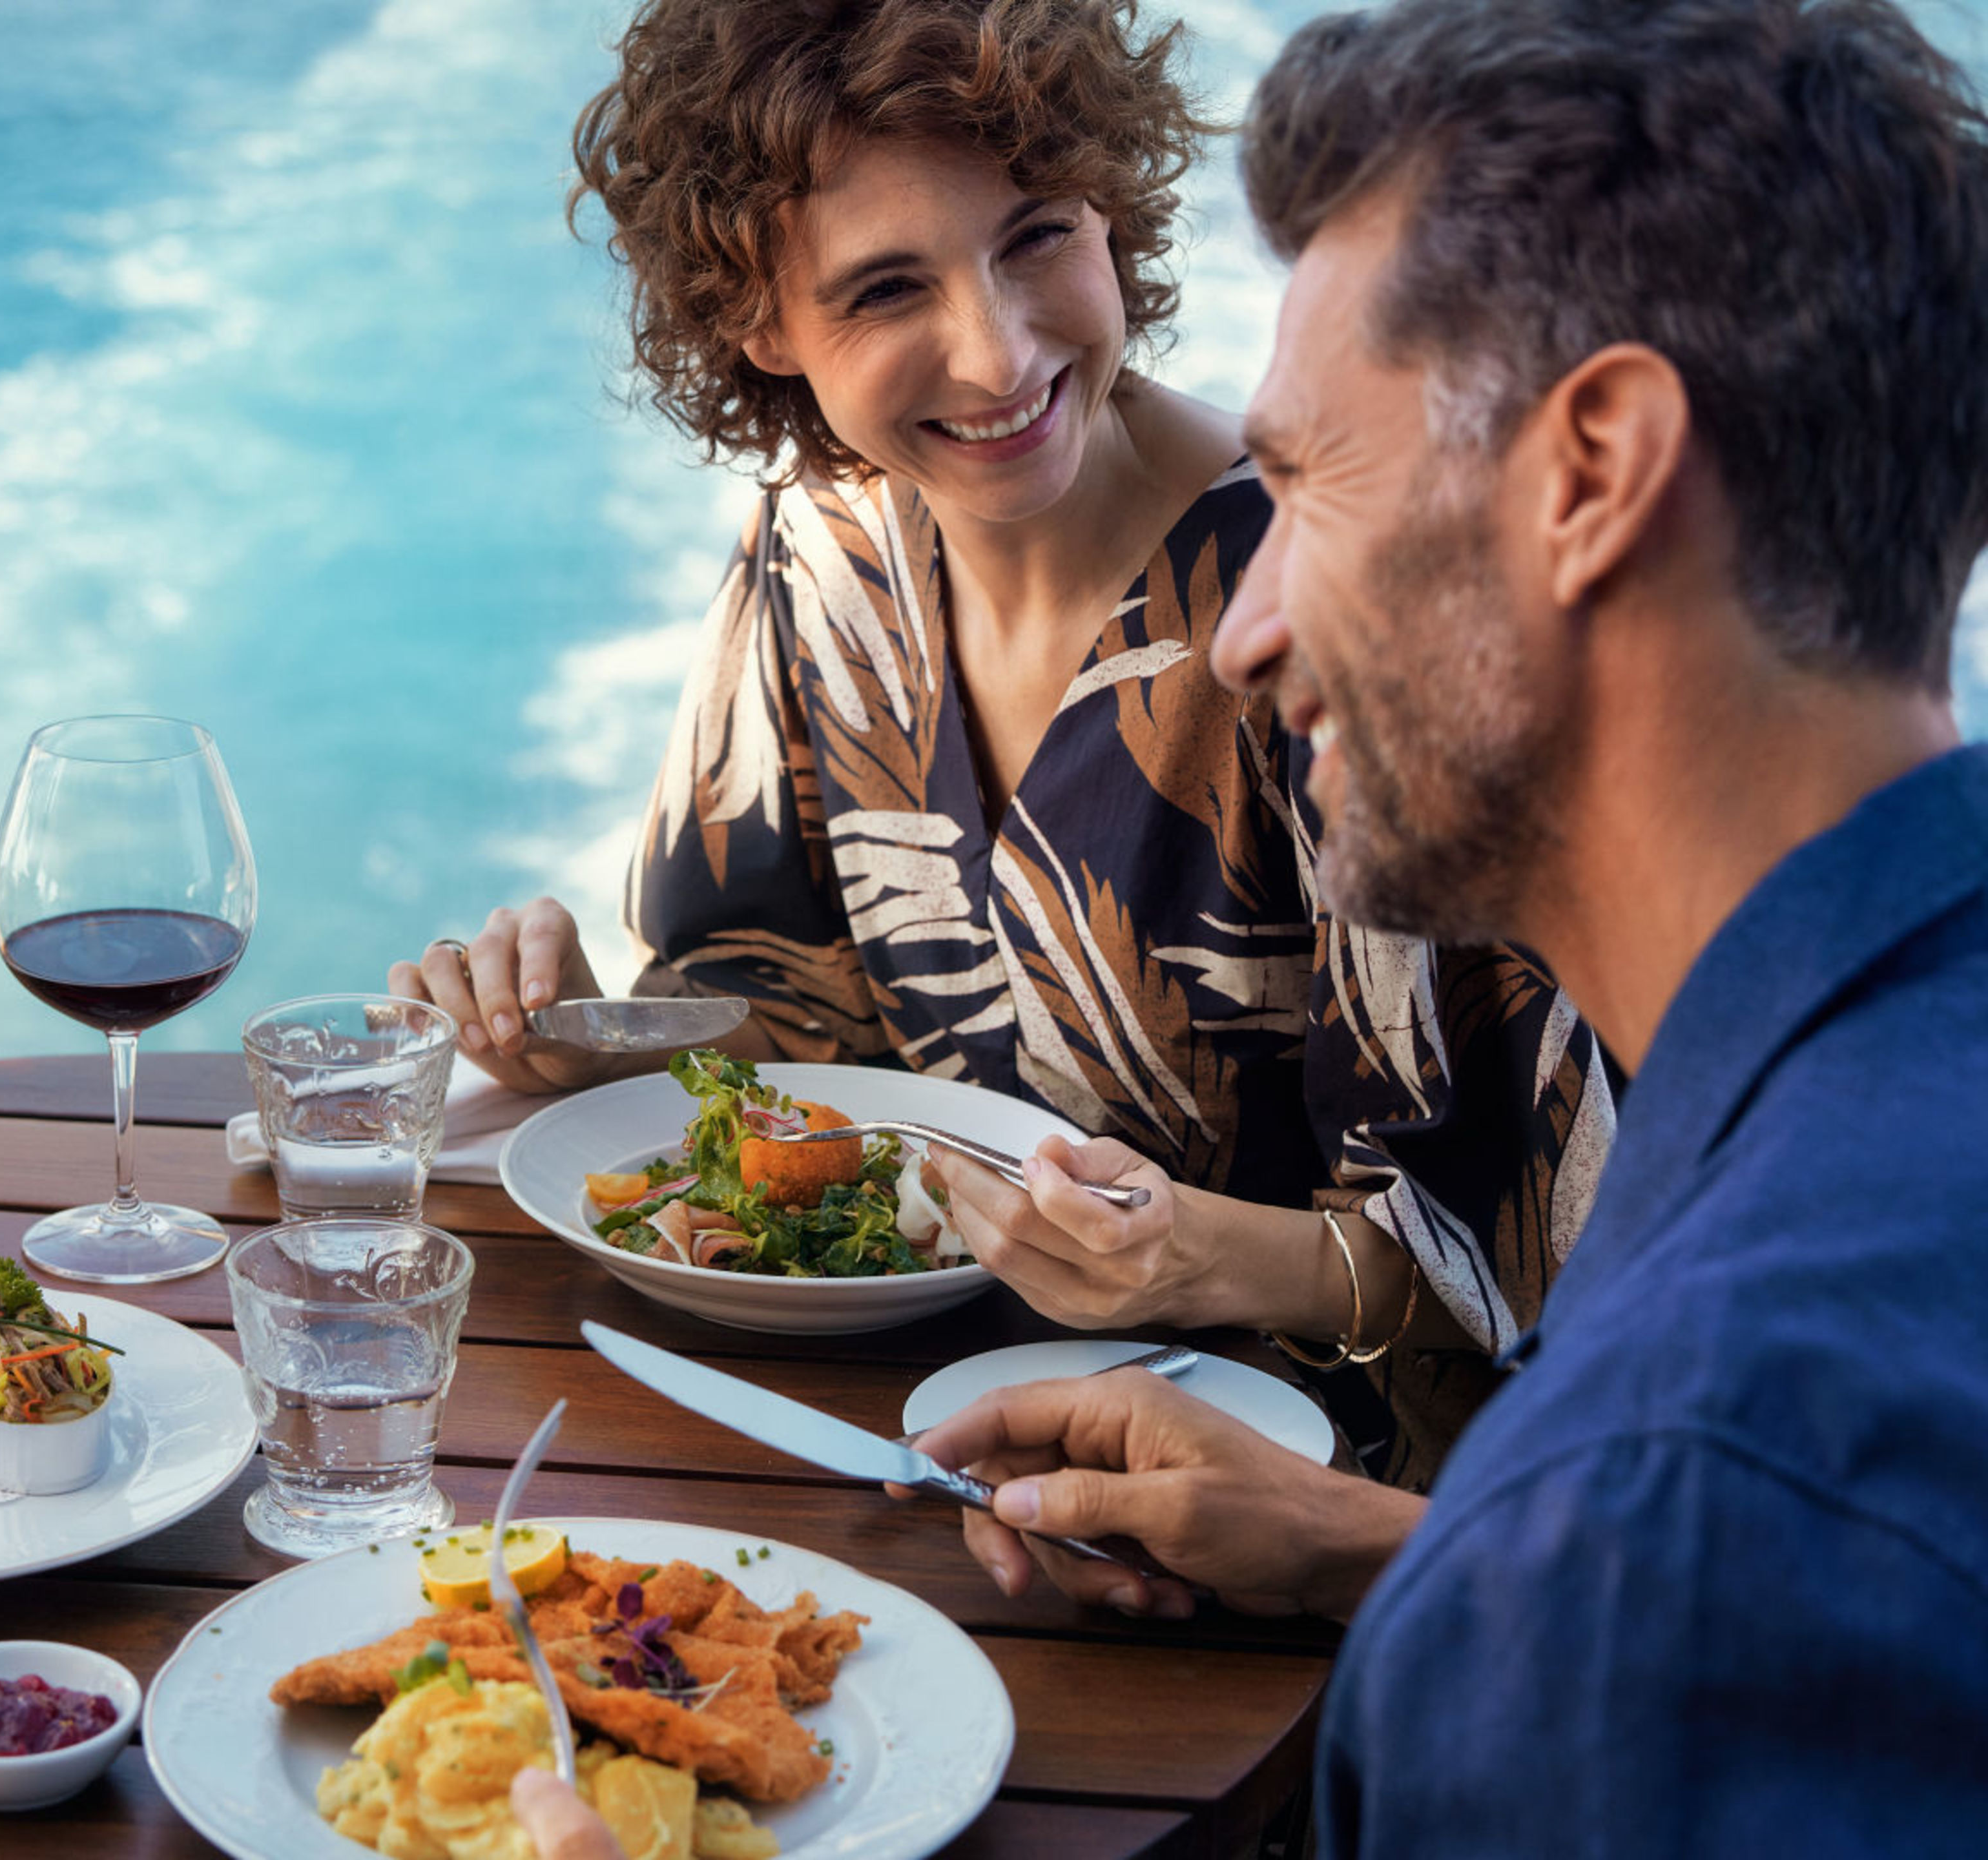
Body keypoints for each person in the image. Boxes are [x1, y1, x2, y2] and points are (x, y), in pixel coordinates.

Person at [895, 0, 1988, 1852]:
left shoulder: (1687, 1492)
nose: (1242, 629)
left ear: (1591, 473)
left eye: (1310, 482)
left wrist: (1542, 1586)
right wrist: (1403, 1556)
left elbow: (1698, 1558)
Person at [393, 0, 1614, 1491]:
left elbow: (1546, 1250)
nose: (997, 354)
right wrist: (593, 1035)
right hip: (924, 1440)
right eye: (886, 288)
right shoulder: (823, 552)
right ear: (756, 322)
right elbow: (802, 1035)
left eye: (1038, 237)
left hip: (1324, 1510)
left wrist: (1188, 1262)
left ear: (1113, 206)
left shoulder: (1330, 611)